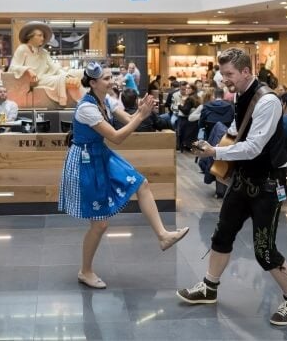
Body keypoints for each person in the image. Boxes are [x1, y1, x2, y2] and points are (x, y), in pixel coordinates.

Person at [177, 48, 287, 327]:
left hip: (268, 185)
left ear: (246, 71)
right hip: (244, 181)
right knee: (222, 233)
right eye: (223, 74)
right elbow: (239, 128)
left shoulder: (268, 101)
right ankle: (209, 286)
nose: (224, 79)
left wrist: (215, 152)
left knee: (264, 249)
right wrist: (216, 141)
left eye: (229, 74)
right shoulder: (242, 94)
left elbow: (253, 147)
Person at [58, 62, 189, 289]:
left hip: (101, 155)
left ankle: (163, 235)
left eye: (111, 77)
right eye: (107, 78)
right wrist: (142, 114)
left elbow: (129, 121)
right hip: (86, 161)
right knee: (100, 225)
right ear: (93, 83)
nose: (113, 81)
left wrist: (141, 111)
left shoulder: (106, 100)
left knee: (142, 183)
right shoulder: (86, 108)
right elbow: (117, 137)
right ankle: (85, 271)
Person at [9, 21, 83, 106]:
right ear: (30, 36)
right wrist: (27, 69)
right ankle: (79, 101)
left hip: (46, 76)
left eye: (43, 36)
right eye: (40, 35)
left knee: (77, 74)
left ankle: (81, 101)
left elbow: (54, 67)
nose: (43, 38)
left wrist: (66, 75)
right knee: (62, 80)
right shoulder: (22, 49)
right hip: (36, 80)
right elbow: (12, 68)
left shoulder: (43, 52)